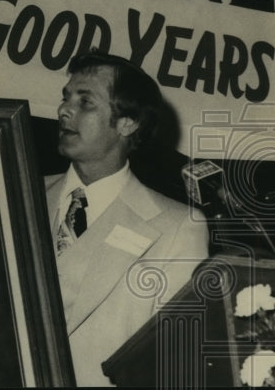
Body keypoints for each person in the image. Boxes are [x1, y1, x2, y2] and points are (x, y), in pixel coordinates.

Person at [48, 50, 209, 386]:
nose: (64, 110)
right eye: (66, 98)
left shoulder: (179, 227)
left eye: (86, 101)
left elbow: (173, 362)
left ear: (127, 122)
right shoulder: (12, 190)